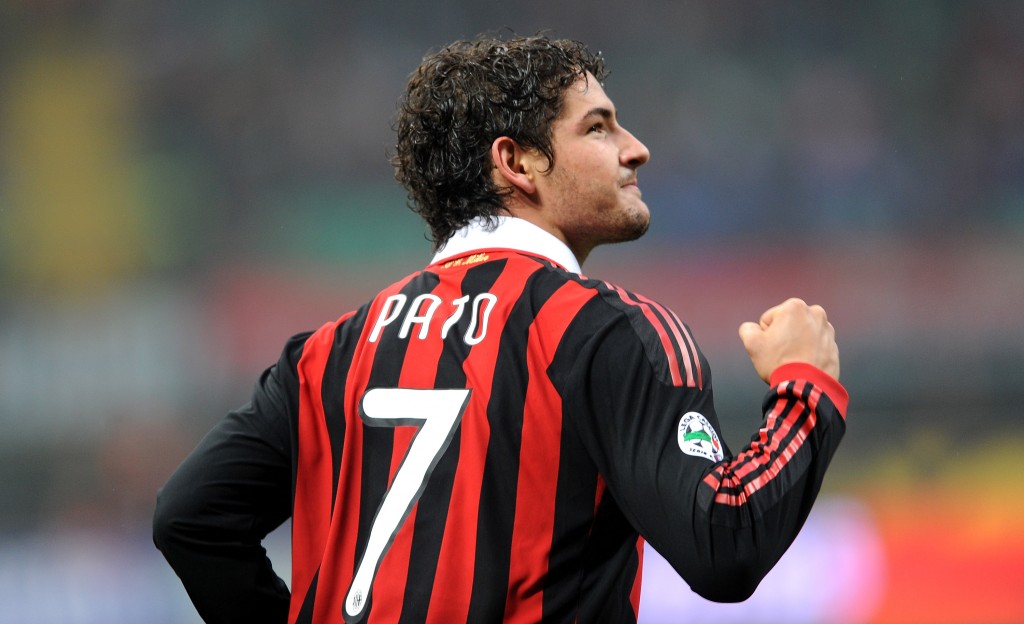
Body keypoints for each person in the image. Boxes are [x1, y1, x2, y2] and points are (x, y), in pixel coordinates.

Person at [153, 34, 847, 624]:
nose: (636, 150)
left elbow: (190, 519)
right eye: (598, 127)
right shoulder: (605, 331)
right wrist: (804, 390)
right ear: (516, 163)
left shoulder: (327, 353)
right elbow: (724, 543)